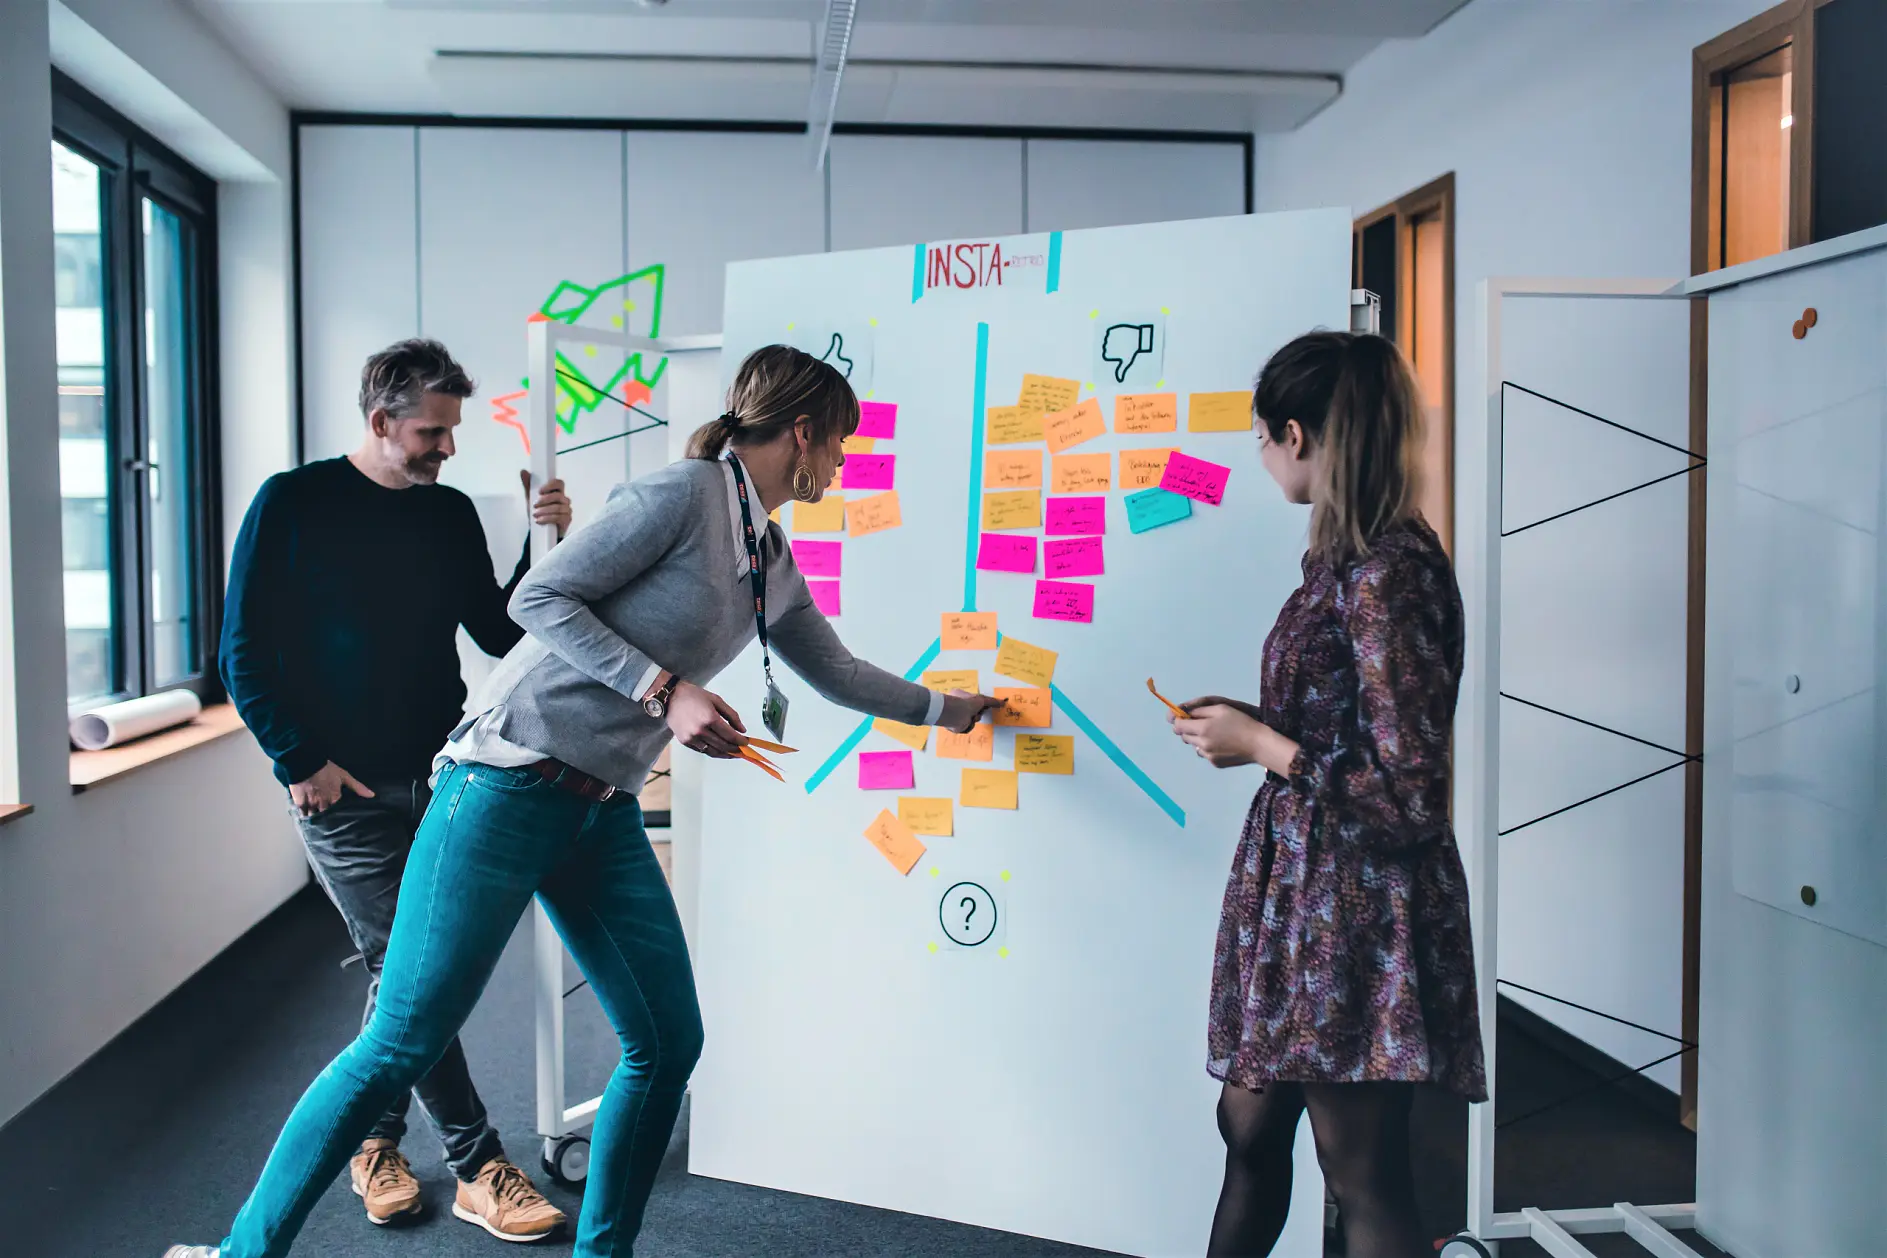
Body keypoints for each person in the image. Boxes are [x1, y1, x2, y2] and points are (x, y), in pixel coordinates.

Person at [167, 344, 1004, 1258]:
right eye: (838, 440)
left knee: (664, 1040)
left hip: (593, 805)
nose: (842, 462)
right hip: (504, 778)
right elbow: (538, 598)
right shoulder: (682, 495)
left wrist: (954, 710)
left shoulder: (763, 550)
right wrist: (664, 689)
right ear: (800, 432)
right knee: (400, 1039)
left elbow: (836, 670)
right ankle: (242, 1252)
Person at [218, 338, 572, 1241]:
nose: (448, 448)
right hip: (337, 791)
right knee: (412, 973)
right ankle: (477, 1163)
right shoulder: (291, 503)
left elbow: (500, 633)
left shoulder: (446, 516)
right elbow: (241, 654)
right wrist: (298, 760)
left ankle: (373, 1140)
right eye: (432, 431)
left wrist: (548, 548)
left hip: (441, 777)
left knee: (402, 974)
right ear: (381, 421)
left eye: (451, 431)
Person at [1169, 332, 1486, 1258]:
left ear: (1298, 434)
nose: (1262, 457)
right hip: (1303, 900)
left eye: (1263, 438)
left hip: (1357, 914)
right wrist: (1254, 721)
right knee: (1251, 1131)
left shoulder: (1391, 573)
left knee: (1362, 1177)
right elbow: (1349, 722)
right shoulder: (1342, 561)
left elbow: (1409, 792)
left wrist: (1263, 743)